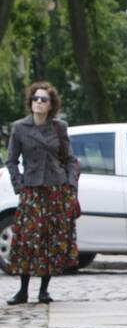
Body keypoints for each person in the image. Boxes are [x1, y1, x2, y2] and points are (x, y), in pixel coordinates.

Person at [4, 81, 79, 305]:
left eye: (43, 99)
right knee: (27, 239)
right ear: (30, 102)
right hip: (32, 190)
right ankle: (23, 289)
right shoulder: (20, 128)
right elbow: (11, 161)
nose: (38, 102)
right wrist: (19, 185)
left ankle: (44, 290)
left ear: (51, 104)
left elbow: (70, 160)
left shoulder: (59, 127)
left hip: (56, 190)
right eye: (35, 98)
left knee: (51, 240)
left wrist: (70, 186)